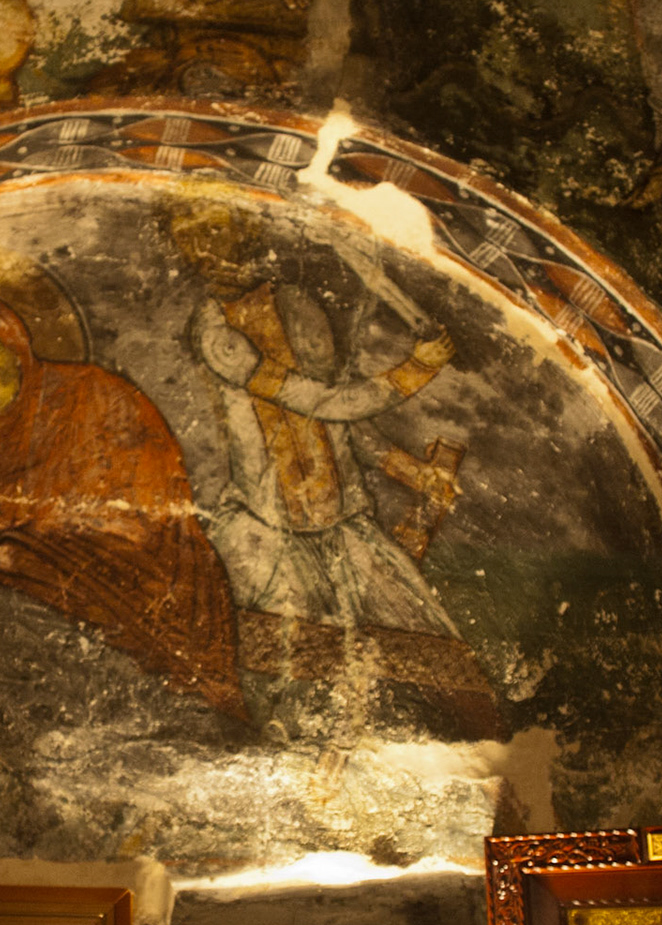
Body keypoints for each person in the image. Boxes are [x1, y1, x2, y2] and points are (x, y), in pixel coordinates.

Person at [0, 287, 246, 720]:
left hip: (148, 591)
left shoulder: (94, 396)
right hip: (47, 586)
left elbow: (114, 530)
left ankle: (128, 721)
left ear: (8, 340)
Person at [168, 198, 461, 640]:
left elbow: (339, 425)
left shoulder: (295, 304)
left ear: (244, 229)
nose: (197, 251)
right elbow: (322, 404)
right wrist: (415, 370)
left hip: (344, 523)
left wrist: (414, 474)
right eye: (185, 238)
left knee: (435, 644)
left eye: (210, 230)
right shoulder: (215, 332)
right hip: (267, 530)